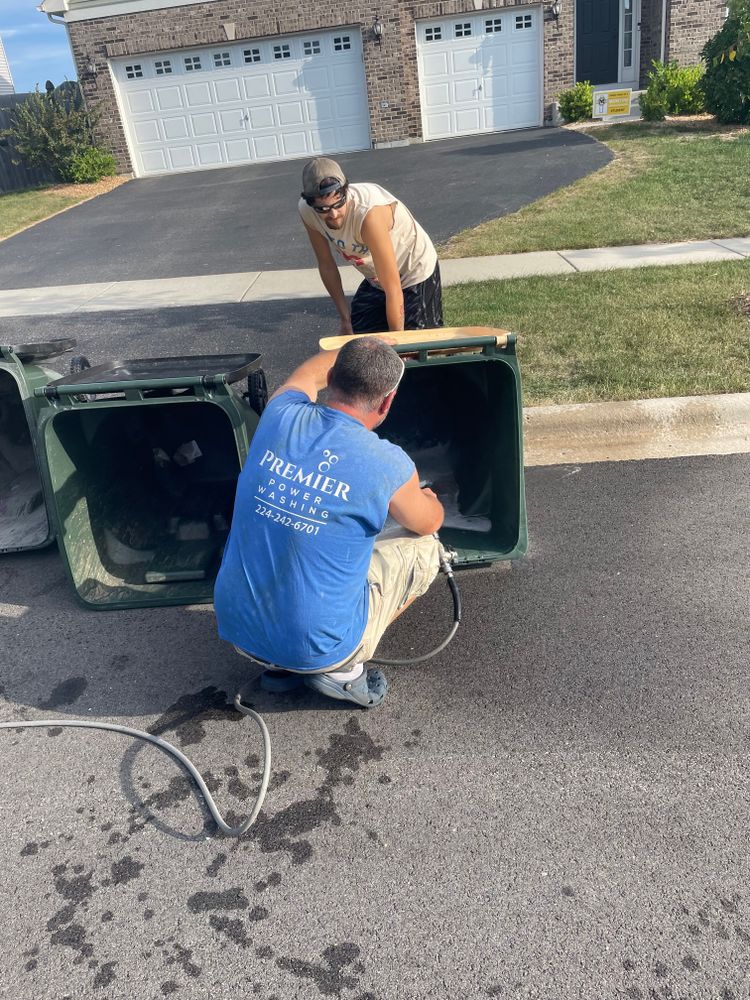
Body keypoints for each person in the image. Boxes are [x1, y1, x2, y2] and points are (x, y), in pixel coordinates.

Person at [214, 337, 445, 708]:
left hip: (240, 632)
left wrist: (359, 349)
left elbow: (308, 372)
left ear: (333, 376)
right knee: (426, 547)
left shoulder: (279, 414)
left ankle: (280, 666)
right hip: (317, 650)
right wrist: (428, 500)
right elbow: (428, 522)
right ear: (388, 401)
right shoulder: (388, 462)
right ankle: (343, 671)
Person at [298, 156, 443, 336]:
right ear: (311, 203)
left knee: (416, 347)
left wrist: (397, 344)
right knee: (361, 341)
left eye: (338, 204)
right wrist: (345, 319)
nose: (334, 214)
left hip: (413, 269)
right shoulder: (306, 211)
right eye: (324, 209)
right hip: (377, 278)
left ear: (346, 191)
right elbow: (326, 265)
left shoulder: (368, 214)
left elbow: (393, 288)